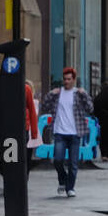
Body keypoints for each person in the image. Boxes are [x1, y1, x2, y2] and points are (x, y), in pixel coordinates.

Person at [40, 68, 94, 198]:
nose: (66, 82)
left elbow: (90, 108)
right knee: (57, 160)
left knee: (73, 163)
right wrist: (50, 93)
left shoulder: (78, 94)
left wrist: (85, 94)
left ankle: (70, 188)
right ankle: (63, 180)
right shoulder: (58, 93)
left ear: (74, 80)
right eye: (65, 79)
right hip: (60, 132)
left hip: (75, 133)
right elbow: (44, 106)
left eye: (69, 79)